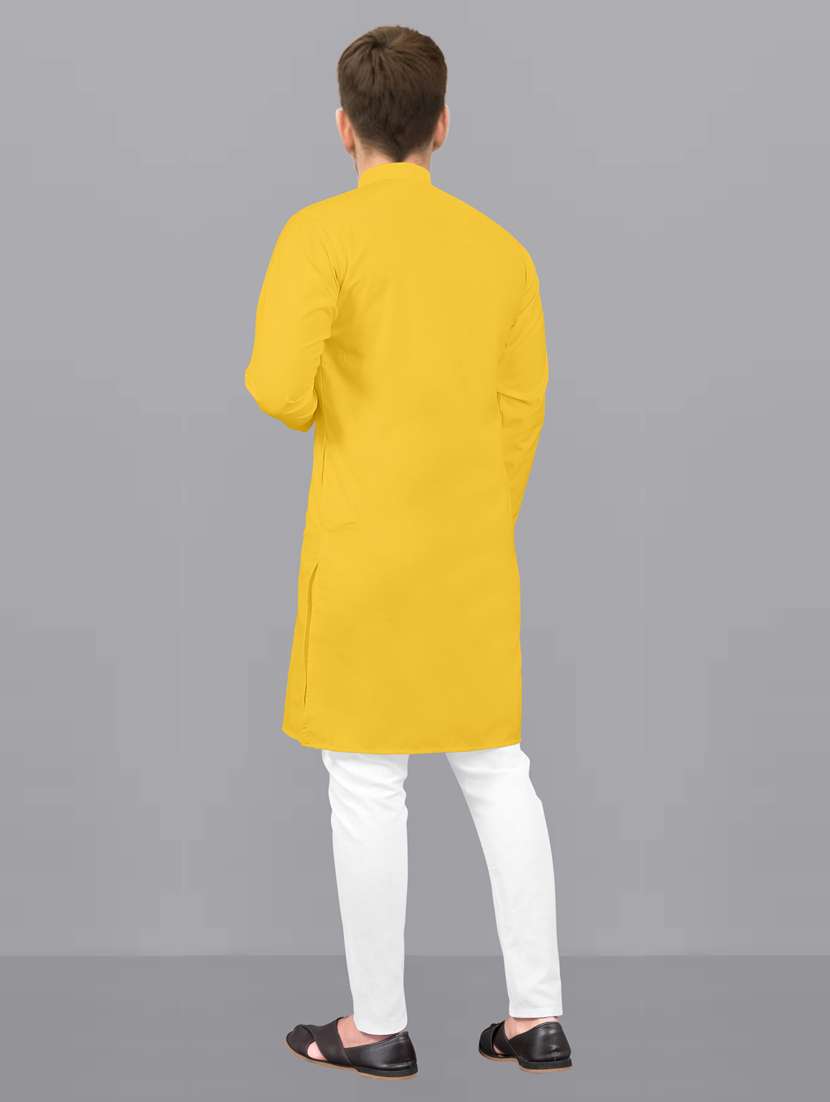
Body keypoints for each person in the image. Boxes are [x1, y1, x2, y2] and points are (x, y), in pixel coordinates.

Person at [245, 24, 572, 1080]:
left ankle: (376, 1027)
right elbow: (522, 408)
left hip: (363, 552)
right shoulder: (501, 252)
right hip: (470, 552)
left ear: (345, 128)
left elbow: (278, 389)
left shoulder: (318, 236)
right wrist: (479, 509)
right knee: (499, 772)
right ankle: (537, 1017)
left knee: (365, 780)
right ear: (442, 125)